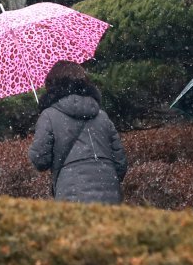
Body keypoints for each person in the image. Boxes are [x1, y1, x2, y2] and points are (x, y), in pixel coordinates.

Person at [28, 60, 127, 203]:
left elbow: (40, 160)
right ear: (85, 83)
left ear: (52, 85)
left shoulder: (49, 116)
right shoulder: (102, 116)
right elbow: (120, 163)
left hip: (72, 193)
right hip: (110, 192)